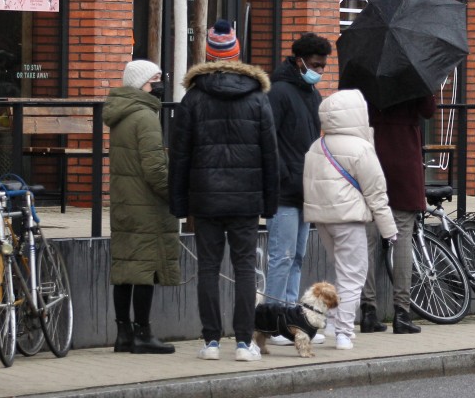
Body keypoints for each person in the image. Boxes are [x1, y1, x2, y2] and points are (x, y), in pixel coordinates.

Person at [170, 29, 279, 362]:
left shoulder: (193, 98)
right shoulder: (258, 98)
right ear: (236, 54)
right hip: (246, 201)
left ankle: (211, 342)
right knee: (245, 268)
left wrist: (178, 202)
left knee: (207, 268)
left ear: (208, 55)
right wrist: (269, 202)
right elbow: (269, 154)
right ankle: (244, 343)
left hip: (205, 199)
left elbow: (180, 155)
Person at [302, 90, 398, 350]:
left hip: (322, 220)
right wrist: (390, 230)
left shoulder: (316, 145)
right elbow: (377, 193)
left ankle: (334, 321)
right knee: (353, 276)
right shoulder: (361, 148)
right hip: (350, 220)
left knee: (341, 272)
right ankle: (343, 331)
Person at [105, 60, 178, 354]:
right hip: (146, 204)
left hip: (124, 201)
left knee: (126, 269)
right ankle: (143, 333)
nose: (161, 83)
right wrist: (174, 195)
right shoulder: (145, 116)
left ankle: (123, 334)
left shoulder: (121, 114)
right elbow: (155, 169)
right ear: (142, 82)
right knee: (146, 269)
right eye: (156, 78)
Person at [265, 33, 331, 347]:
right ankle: (272, 321)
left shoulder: (310, 93)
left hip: (304, 187)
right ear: (300, 60)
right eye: (316, 64)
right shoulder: (279, 92)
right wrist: (285, 174)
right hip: (285, 188)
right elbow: (268, 139)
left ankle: (290, 321)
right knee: (282, 257)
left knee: (297, 257)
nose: (320, 69)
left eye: (324, 64)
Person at [360, 92, 436, 335]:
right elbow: (429, 110)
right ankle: (402, 313)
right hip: (405, 160)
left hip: (373, 158)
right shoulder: (415, 78)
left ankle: (368, 311)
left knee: (368, 239)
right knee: (402, 238)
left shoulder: (369, 79)